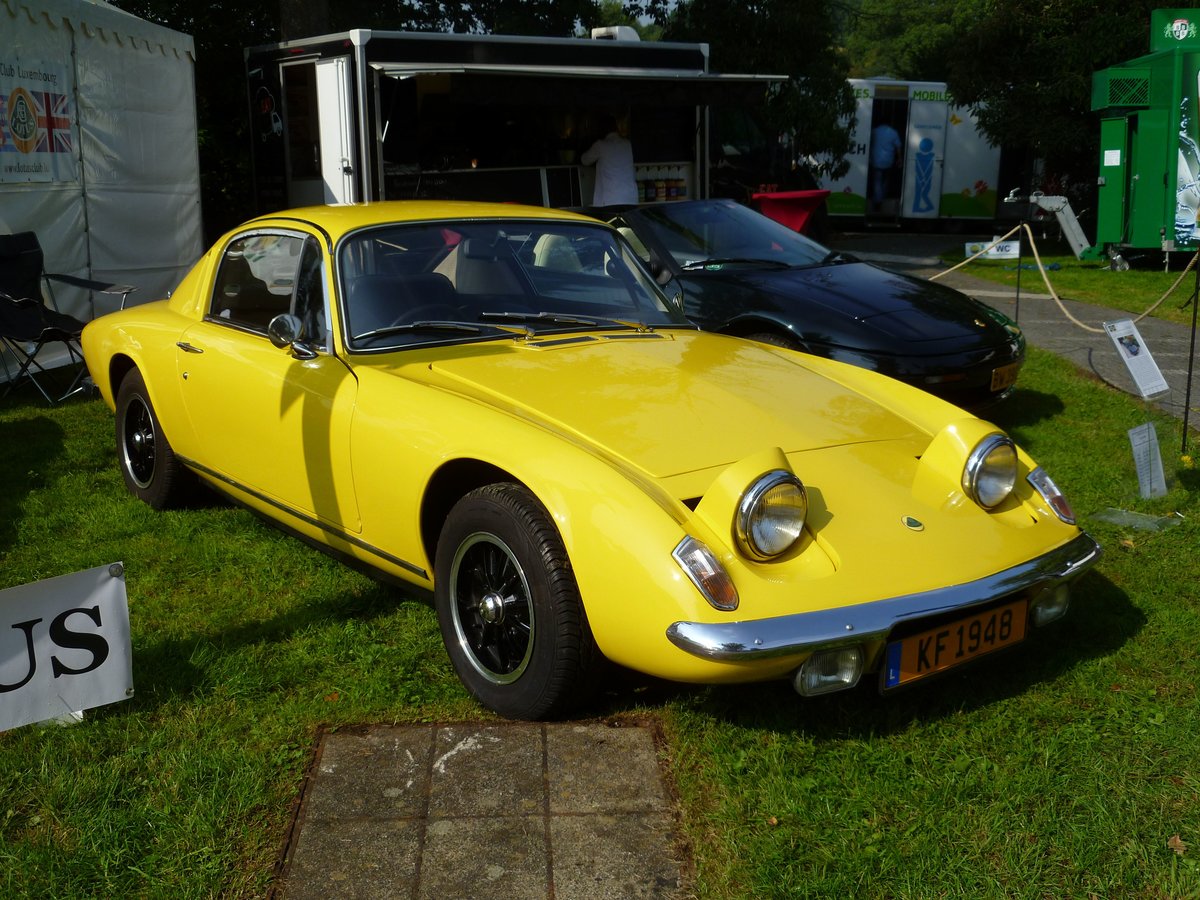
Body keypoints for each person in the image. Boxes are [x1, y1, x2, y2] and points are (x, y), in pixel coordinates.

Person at [581, 115, 638, 207]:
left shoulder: (600, 145)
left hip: (611, 200)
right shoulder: (627, 144)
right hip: (631, 198)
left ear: (602, 129)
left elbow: (584, 160)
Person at [869, 121, 903, 208]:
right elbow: (898, 147)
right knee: (885, 180)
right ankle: (882, 198)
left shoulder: (874, 131)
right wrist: (899, 159)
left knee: (877, 181)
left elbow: (869, 143)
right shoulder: (893, 132)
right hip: (888, 161)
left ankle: (878, 200)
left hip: (876, 160)